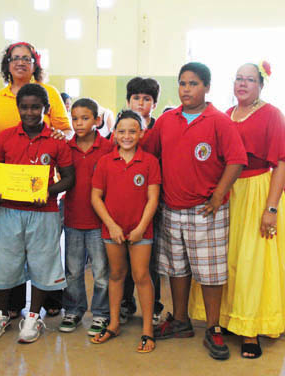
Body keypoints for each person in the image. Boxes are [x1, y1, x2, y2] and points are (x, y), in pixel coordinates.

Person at [144, 62, 246, 360]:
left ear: (207, 87)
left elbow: (236, 160)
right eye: (183, 83)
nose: (187, 89)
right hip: (171, 209)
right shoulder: (166, 120)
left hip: (206, 211)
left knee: (211, 272)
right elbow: (150, 154)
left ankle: (213, 327)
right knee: (176, 268)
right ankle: (180, 320)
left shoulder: (219, 121)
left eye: (194, 84)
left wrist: (217, 196)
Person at [0, 42, 70, 318]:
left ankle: (39, 310)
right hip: (10, 185)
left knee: (42, 256)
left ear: (35, 64)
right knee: (10, 257)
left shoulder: (50, 93)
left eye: (27, 58)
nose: (21, 62)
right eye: (15, 58)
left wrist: (57, 136)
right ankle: (9, 310)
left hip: (39, 190)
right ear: (7, 63)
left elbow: (66, 131)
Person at [220, 61, 285, 359]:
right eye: (238, 78)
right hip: (231, 192)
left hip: (260, 191)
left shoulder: (272, 114)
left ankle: (251, 330)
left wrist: (271, 208)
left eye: (249, 79)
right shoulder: (226, 115)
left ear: (260, 85)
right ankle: (230, 319)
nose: (242, 84)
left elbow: (282, 163)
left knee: (253, 260)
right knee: (230, 258)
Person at [90, 110, 160, 353]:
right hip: (113, 230)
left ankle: (148, 330)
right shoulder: (106, 162)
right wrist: (111, 225)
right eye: (121, 131)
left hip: (141, 231)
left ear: (141, 133)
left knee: (141, 276)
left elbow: (153, 199)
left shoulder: (150, 161)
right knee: (116, 274)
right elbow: (96, 197)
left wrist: (141, 227)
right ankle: (114, 323)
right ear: (114, 134)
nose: (127, 136)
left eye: (132, 131)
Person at [58, 98, 113, 336]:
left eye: (85, 118)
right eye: (75, 119)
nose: (79, 123)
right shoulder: (65, 147)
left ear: (97, 120)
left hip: (99, 222)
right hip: (72, 219)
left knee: (101, 271)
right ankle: (74, 309)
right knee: (73, 270)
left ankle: (101, 313)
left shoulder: (109, 148)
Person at [121, 76, 163, 325]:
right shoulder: (120, 128)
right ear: (127, 100)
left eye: (146, 99)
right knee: (124, 261)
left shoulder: (159, 130)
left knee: (151, 261)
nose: (140, 102)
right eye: (136, 98)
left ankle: (154, 306)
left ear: (154, 104)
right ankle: (126, 303)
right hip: (124, 206)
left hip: (151, 205)